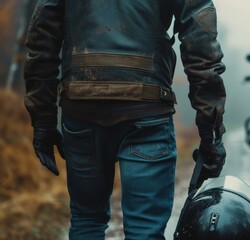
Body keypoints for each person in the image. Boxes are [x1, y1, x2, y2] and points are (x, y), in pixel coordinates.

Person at [23, 0, 226, 239]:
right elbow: (200, 38)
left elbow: (41, 41)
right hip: (146, 111)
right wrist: (210, 128)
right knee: (144, 230)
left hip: (81, 108)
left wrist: (43, 120)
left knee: (86, 220)